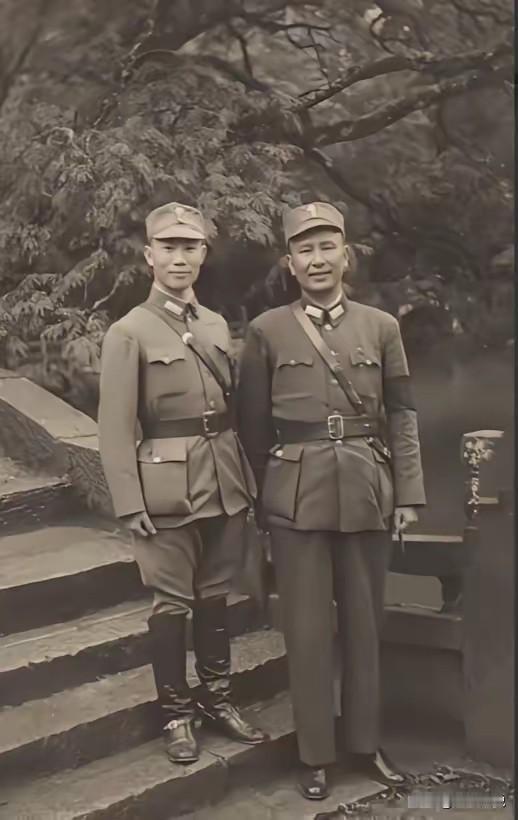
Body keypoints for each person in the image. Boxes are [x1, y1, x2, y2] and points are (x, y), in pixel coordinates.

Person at [236, 201, 426, 800]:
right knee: (308, 630)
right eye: (305, 250)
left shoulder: (382, 326)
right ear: (289, 263)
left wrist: (409, 493)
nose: (317, 260)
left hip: (367, 489)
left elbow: (402, 414)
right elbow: (252, 428)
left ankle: (366, 745)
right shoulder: (267, 330)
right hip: (296, 497)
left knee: (367, 625)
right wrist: (266, 501)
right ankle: (315, 754)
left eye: (327, 248)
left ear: (346, 256)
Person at [98, 202, 268, 765]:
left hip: (222, 478)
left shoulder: (215, 324)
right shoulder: (129, 332)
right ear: (149, 256)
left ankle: (218, 698)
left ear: (202, 254)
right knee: (172, 602)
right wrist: (129, 502)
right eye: (168, 247)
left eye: (189, 247)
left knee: (215, 595)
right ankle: (176, 714)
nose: (179, 258)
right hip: (165, 488)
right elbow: (115, 428)